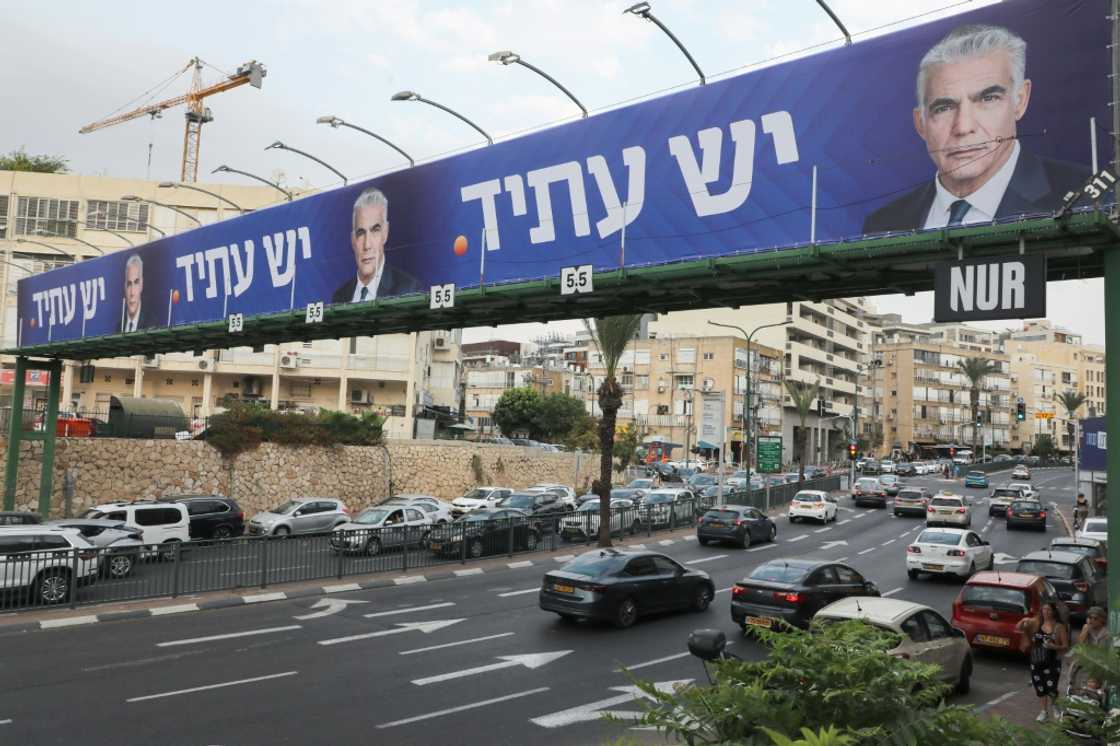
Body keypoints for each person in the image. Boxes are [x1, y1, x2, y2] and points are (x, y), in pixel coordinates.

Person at [863, 24, 1088, 234]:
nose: (964, 127)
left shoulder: (1090, 197)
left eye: (988, 98)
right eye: (944, 108)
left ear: (1020, 100)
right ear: (920, 123)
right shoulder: (882, 224)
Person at [332, 187, 421, 304]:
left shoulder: (408, 288)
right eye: (361, 232)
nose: (367, 245)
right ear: (353, 239)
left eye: (375, 230)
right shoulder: (339, 296)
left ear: (385, 233)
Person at [1016, 601, 1070, 722]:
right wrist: (1024, 620)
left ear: (1054, 612)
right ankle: (1044, 712)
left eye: (1048, 610)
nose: (1046, 612)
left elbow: (1065, 646)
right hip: (1036, 660)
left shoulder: (1059, 627)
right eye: (1044, 609)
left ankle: (1055, 706)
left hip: (1052, 661)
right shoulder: (1035, 623)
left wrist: (1053, 647)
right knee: (1040, 687)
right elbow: (1019, 628)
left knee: (1051, 686)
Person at [120, 254, 152, 333]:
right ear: (125, 287)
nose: (132, 293)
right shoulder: (119, 327)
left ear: (141, 284)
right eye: (129, 284)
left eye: (136, 282)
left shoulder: (151, 324)